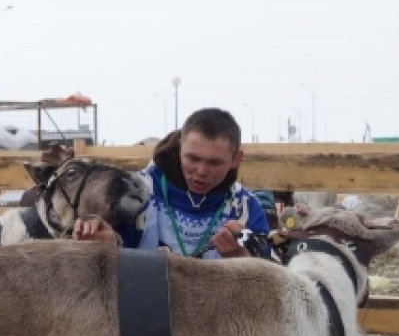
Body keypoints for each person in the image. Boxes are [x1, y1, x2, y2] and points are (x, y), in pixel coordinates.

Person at [74, 107, 272, 258]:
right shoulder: (138, 193)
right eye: (192, 159)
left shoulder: (246, 208)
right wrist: (107, 242)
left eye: (214, 162)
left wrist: (242, 260)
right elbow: (116, 250)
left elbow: (272, 278)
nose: (201, 171)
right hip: (146, 309)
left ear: (236, 159)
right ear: (179, 149)